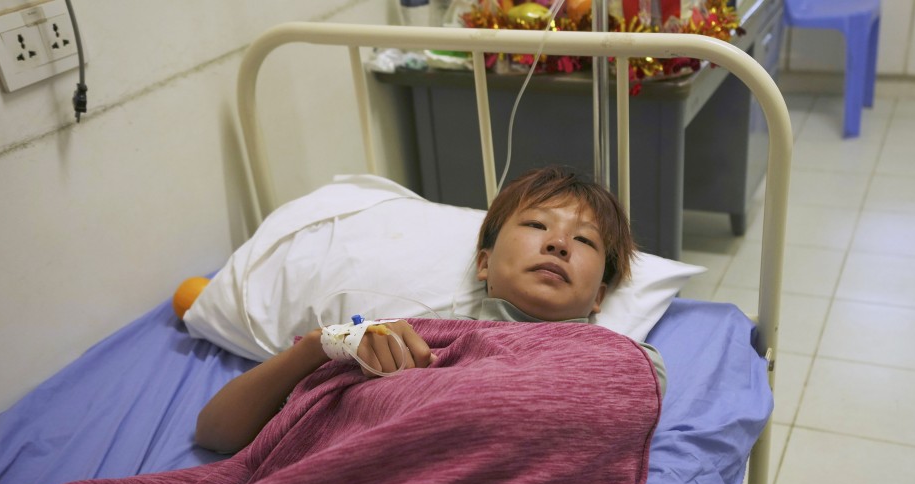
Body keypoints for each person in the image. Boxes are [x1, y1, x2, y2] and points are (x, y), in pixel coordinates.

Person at [195, 166, 665, 453]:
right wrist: (320, 346)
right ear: (484, 263)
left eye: (583, 239)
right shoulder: (395, 340)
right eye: (538, 224)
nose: (559, 243)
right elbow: (215, 432)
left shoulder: (624, 364)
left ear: (600, 296)